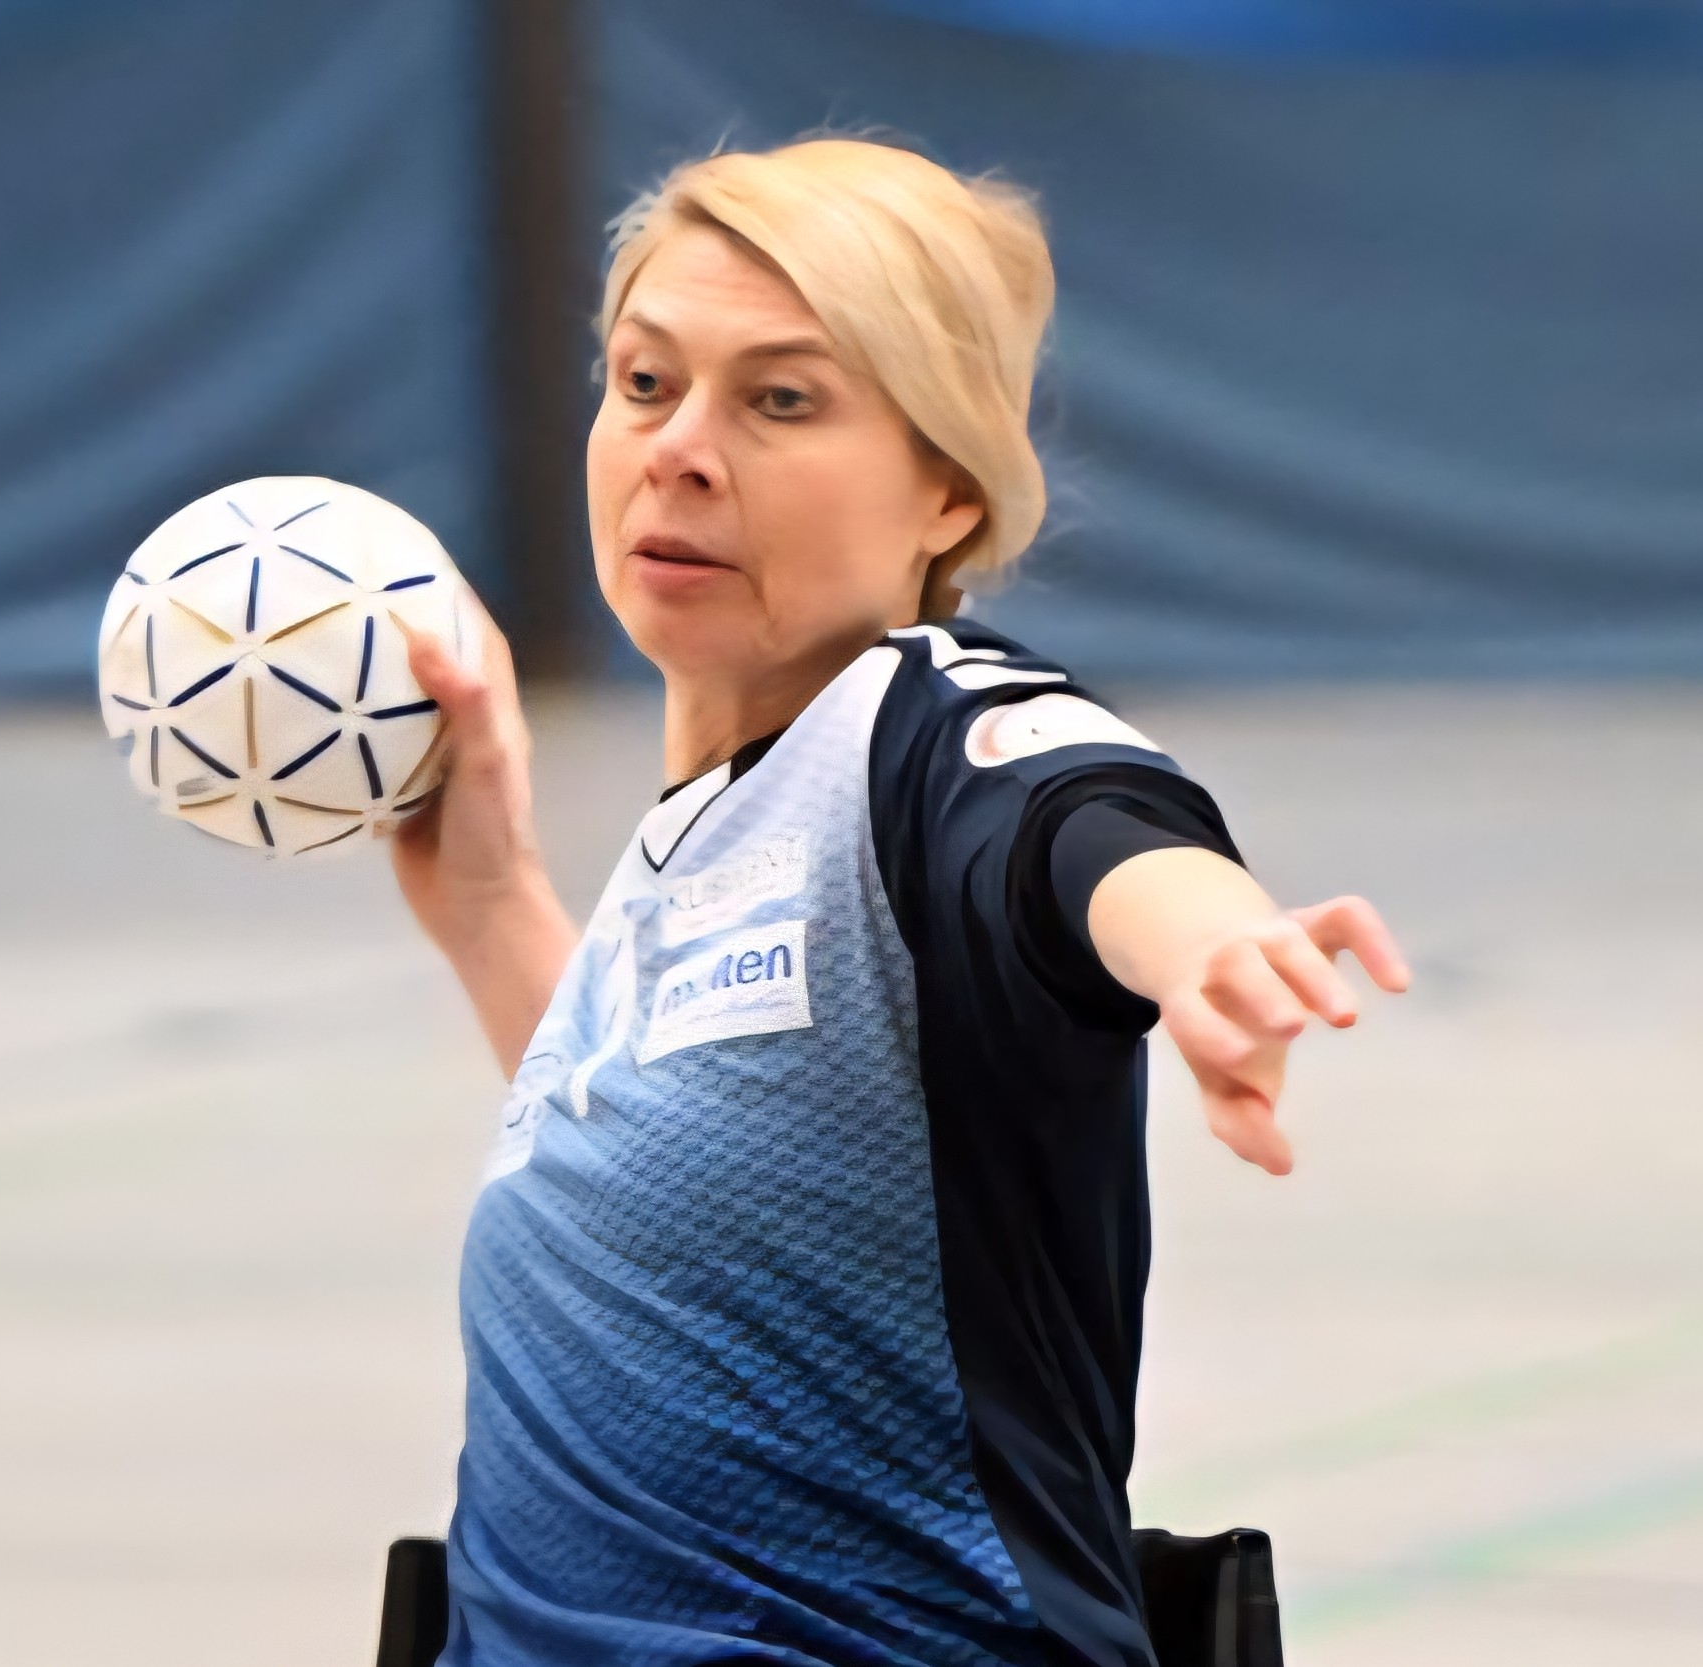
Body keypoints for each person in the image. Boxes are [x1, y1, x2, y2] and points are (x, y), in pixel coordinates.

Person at [387, 138, 1410, 1667]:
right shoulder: (703, 843)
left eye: (781, 401)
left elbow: (1081, 822)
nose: (680, 449)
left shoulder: (920, 731)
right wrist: (489, 904)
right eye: (646, 382)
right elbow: (678, 1195)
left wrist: (1207, 943)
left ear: (946, 490)